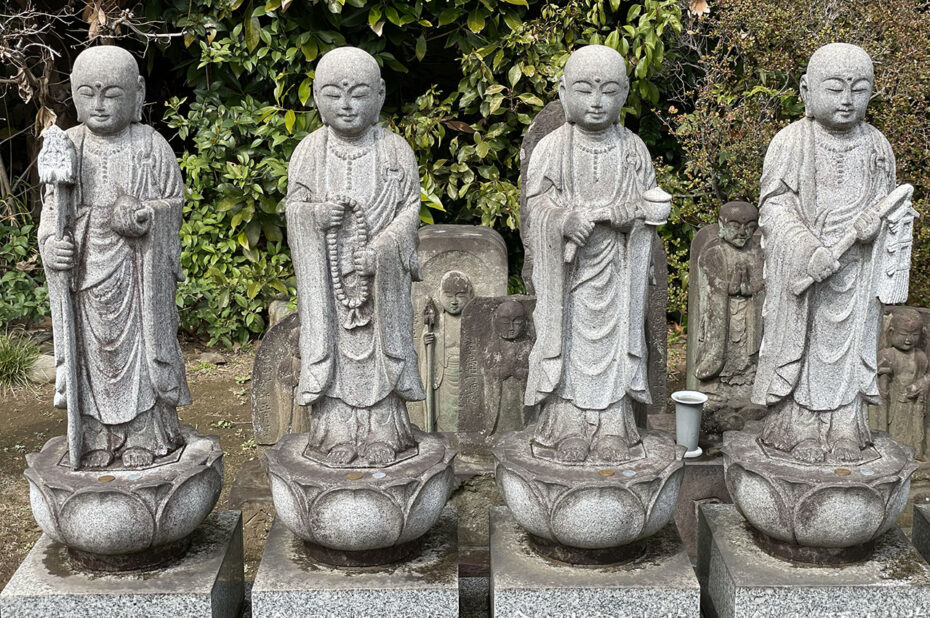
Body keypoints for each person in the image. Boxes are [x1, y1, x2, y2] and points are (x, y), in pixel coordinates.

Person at [753, 43, 913, 463]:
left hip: (855, 274)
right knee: (802, 349)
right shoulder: (791, 142)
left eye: (859, 90)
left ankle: (844, 425)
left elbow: (891, 207)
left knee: (850, 347)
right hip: (807, 271)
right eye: (835, 88)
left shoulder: (877, 145)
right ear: (806, 91)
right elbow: (774, 206)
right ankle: (799, 426)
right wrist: (807, 248)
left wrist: (877, 227)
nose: (846, 100)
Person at [38, 46, 189, 468]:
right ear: (72, 94)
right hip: (87, 277)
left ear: (137, 93)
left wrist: (144, 216)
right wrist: (52, 245)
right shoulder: (67, 145)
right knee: (95, 358)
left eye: (112, 94)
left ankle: (145, 434)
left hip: (138, 278)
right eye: (88, 94)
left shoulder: (151, 146)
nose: (100, 105)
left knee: (139, 355)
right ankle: (96, 436)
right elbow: (52, 211)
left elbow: (172, 204)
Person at [522, 45, 664, 463]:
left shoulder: (634, 148)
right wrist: (563, 220)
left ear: (624, 95)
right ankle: (566, 426)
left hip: (619, 273)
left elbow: (648, 205)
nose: (597, 102)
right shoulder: (552, 147)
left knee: (616, 348)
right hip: (569, 276)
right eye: (585, 90)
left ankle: (613, 428)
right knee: (568, 347)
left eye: (609, 91)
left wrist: (638, 215)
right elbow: (536, 205)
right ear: (564, 93)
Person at [285, 47, 424, 466]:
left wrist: (380, 253)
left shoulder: (397, 150)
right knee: (337, 358)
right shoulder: (309, 151)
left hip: (377, 283)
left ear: (380, 95)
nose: (346, 105)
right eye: (334, 94)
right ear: (315, 96)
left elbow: (409, 210)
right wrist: (314, 217)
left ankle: (385, 430)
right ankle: (334, 432)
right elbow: (294, 208)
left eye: (358, 93)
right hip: (329, 284)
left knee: (379, 356)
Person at [694, 201, 765, 432]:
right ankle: (717, 390)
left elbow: (762, 284)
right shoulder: (714, 252)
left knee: (746, 354)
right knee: (724, 353)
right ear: (721, 225)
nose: (743, 232)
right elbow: (712, 284)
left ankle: (745, 390)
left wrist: (751, 290)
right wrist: (729, 288)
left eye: (750, 227)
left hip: (749, 316)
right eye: (735, 226)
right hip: (722, 317)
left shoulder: (758, 253)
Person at [420, 270, 474, 432]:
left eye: (460, 296)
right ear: (440, 294)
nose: (454, 302)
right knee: (445, 414)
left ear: (470, 295)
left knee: (468, 412)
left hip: (468, 376)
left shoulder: (473, 322)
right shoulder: (436, 323)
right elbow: (425, 356)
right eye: (449, 296)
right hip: (443, 378)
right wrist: (426, 342)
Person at [874, 309, 930, 457]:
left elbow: (926, 376)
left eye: (914, 335)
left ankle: (914, 452)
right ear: (891, 332)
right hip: (893, 405)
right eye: (904, 334)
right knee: (895, 435)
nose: (909, 339)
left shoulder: (920, 356)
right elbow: (882, 392)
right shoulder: (887, 355)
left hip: (912, 405)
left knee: (911, 434)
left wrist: (922, 383)